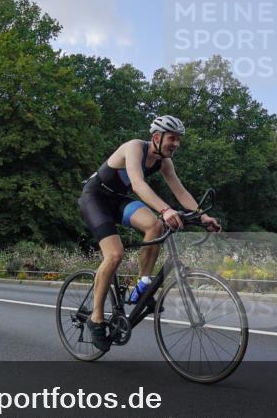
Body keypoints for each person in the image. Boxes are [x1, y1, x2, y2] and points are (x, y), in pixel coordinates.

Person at [78, 115, 221, 352]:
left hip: (117, 200)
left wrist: (202, 216)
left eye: (178, 140)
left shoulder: (164, 162)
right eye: (172, 138)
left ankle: (142, 285)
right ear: (156, 137)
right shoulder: (134, 147)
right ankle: (96, 318)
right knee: (114, 255)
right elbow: (137, 184)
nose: (176, 144)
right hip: (94, 199)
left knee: (155, 226)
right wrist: (165, 209)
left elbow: (180, 191)